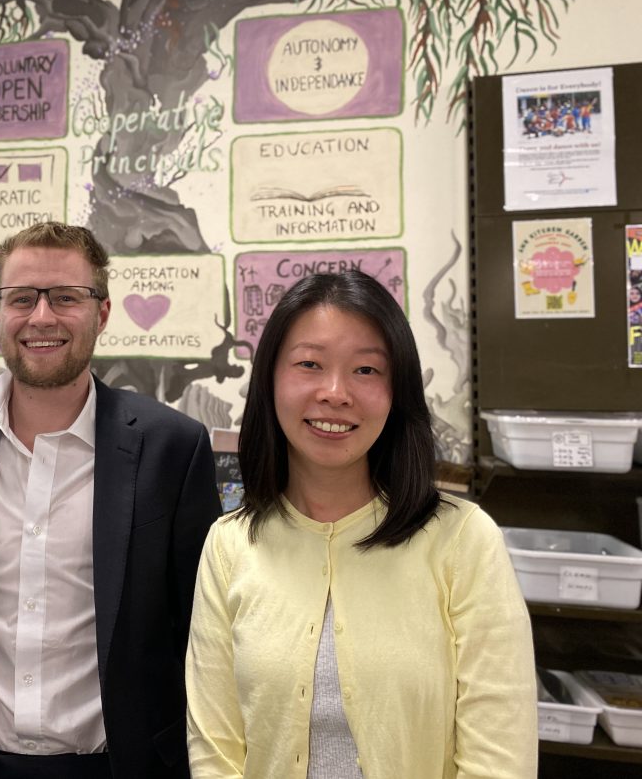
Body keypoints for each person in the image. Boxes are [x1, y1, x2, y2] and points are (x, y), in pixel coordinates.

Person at [186, 270, 536, 779]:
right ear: (270, 381)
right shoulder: (230, 544)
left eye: (366, 371)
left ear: (398, 392)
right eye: (309, 364)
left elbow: (500, 760)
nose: (335, 392)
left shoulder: (463, 539)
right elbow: (214, 750)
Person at [0, 222, 221, 779]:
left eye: (66, 297)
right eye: (22, 298)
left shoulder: (173, 446)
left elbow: (195, 626)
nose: (42, 317)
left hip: (122, 765)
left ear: (101, 313)